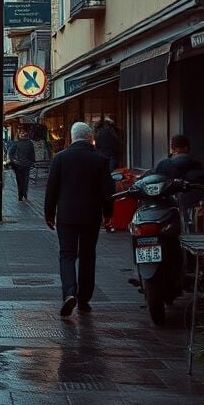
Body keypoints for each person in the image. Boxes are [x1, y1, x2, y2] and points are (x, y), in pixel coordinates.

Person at [43, 121, 114, 317]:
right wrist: (108, 214)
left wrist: (49, 214)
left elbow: (52, 189)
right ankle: (84, 299)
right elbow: (107, 191)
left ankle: (69, 293)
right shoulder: (100, 160)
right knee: (88, 255)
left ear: (72, 138)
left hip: (66, 215)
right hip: (91, 215)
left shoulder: (60, 158)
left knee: (67, 254)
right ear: (90, 138)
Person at [153, 133, 204, 230]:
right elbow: (202, 185)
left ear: (172, 148)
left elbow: (155, 182)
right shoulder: (196, 164)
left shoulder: (162, 164)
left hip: (167, 204)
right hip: (191, 203)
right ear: (186, 148)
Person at [9, 126, 37, 202]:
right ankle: (24, 193)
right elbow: (32, 154)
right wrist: (33, 162)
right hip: (26, 165)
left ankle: (20, 195)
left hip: (18, 165)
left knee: (19, 180)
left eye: (22, 133)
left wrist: (13, 161)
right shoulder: (30, 143)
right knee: (25, 180)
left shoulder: (17, 143)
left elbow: (10, 153)